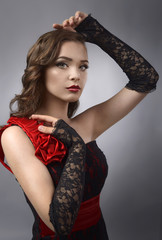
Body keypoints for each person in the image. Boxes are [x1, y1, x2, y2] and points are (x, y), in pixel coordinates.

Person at [0, 10, 159, 240]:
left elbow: (146, 78)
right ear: (40, 70)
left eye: (83, 66)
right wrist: (75, 145)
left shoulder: (88, 122)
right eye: (63, 65)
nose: (76, 75)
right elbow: (60, 224)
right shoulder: (16, 136)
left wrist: (98, 34)